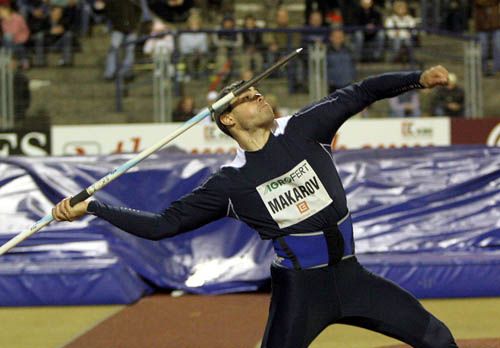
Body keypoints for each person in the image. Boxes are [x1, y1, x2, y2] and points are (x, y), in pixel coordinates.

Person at [53, 65, 457, 348]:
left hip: (354, 278)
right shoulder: (231, 184)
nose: (257, 95)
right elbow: (163, 225)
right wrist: (93, 207)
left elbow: (361, 92)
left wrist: (417, 80)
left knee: (438, 338)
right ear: (227, 120)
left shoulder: (304, 130)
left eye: (256, 90)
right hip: (301, 294)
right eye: (245, 97)